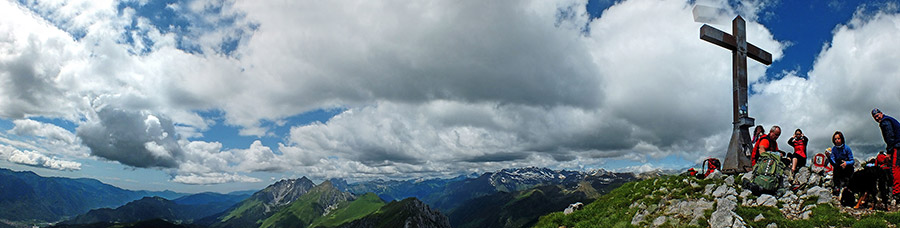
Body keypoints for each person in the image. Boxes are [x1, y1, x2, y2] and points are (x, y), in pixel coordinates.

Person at [873, 108, 900, 199]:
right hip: (897, 144)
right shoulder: (889, 119)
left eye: (877, 115)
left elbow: (890, 137)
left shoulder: (885, 122)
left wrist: (889, 152)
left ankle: (897, 193)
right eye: (875, 117)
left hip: (897, 145)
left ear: (881, 113)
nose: (877, 118)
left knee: (895, 168)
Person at [830, 131, 854, 195]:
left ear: (842, 139)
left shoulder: (847, 148)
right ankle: (837, 186)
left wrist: (846, 163)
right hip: (839, 166)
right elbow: (833, 159)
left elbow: (852, 161)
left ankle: (848, 186)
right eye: (835, 139)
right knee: (837, 166)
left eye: (838, 138)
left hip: (847, 166)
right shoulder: (834, 149)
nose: (837, 140)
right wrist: (829, 157)